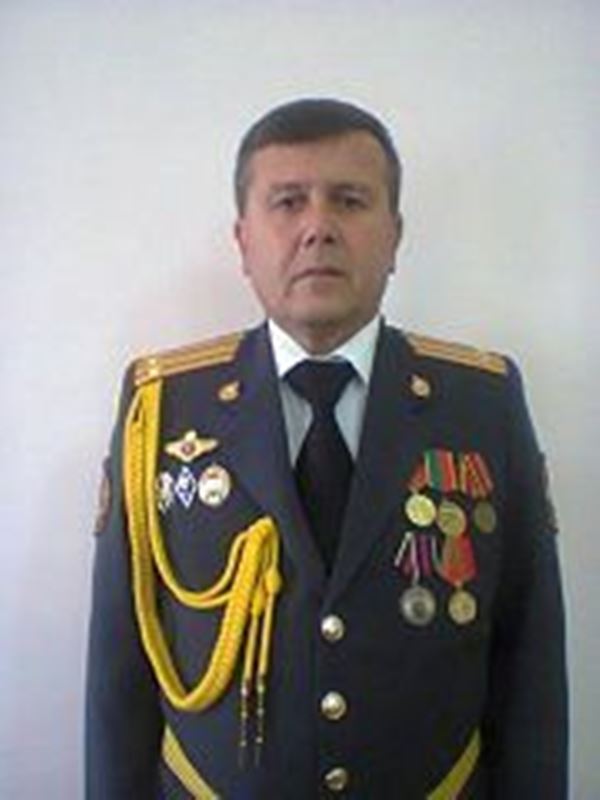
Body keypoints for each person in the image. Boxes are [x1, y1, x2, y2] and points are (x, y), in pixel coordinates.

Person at [85, 98, 568, 799]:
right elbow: (119, 674)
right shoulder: (161, 409)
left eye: (349, 200)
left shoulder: (481, 404)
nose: (318, 228)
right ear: (243, 241)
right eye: (288, 202)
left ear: (395, 236)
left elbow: (529, 662)